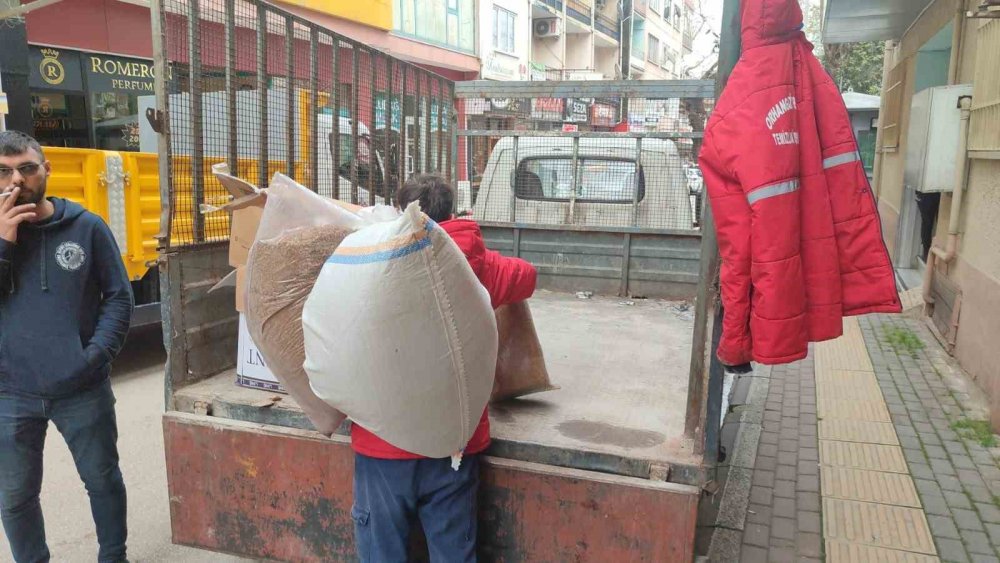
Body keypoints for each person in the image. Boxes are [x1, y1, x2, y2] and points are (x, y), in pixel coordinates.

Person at [350, 173, 537, 562]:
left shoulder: (365, 258)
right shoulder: (476, 266)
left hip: (382, 445)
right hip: (452, 445)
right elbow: (527, 276)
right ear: (451, 213)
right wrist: (484, 263)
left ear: (401, 211)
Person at [0, 130, 133, 563]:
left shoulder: (87, 227)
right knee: (15, 495)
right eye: (3, 172)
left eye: (26, 168)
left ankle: (113, 557)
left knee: (102, 480)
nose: (15, 181)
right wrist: (4, 243)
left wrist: (93, 358)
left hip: (81, 388)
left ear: (46, 170)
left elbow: (118, 296)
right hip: (11, 392)